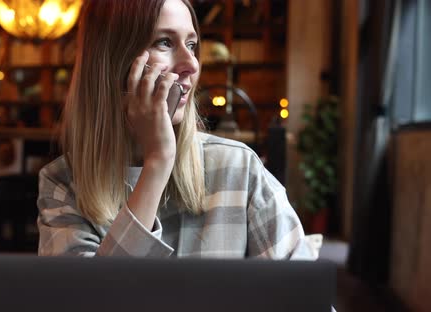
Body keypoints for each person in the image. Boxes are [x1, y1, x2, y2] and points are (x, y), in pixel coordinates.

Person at [37, 0, 320, 259]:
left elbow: (302, 295)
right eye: (164, 42)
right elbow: (92, 298)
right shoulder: (63, 184)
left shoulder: (239, 169)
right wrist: (157, 164)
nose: (191, 64)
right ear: (113, 61)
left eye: (192, 44)